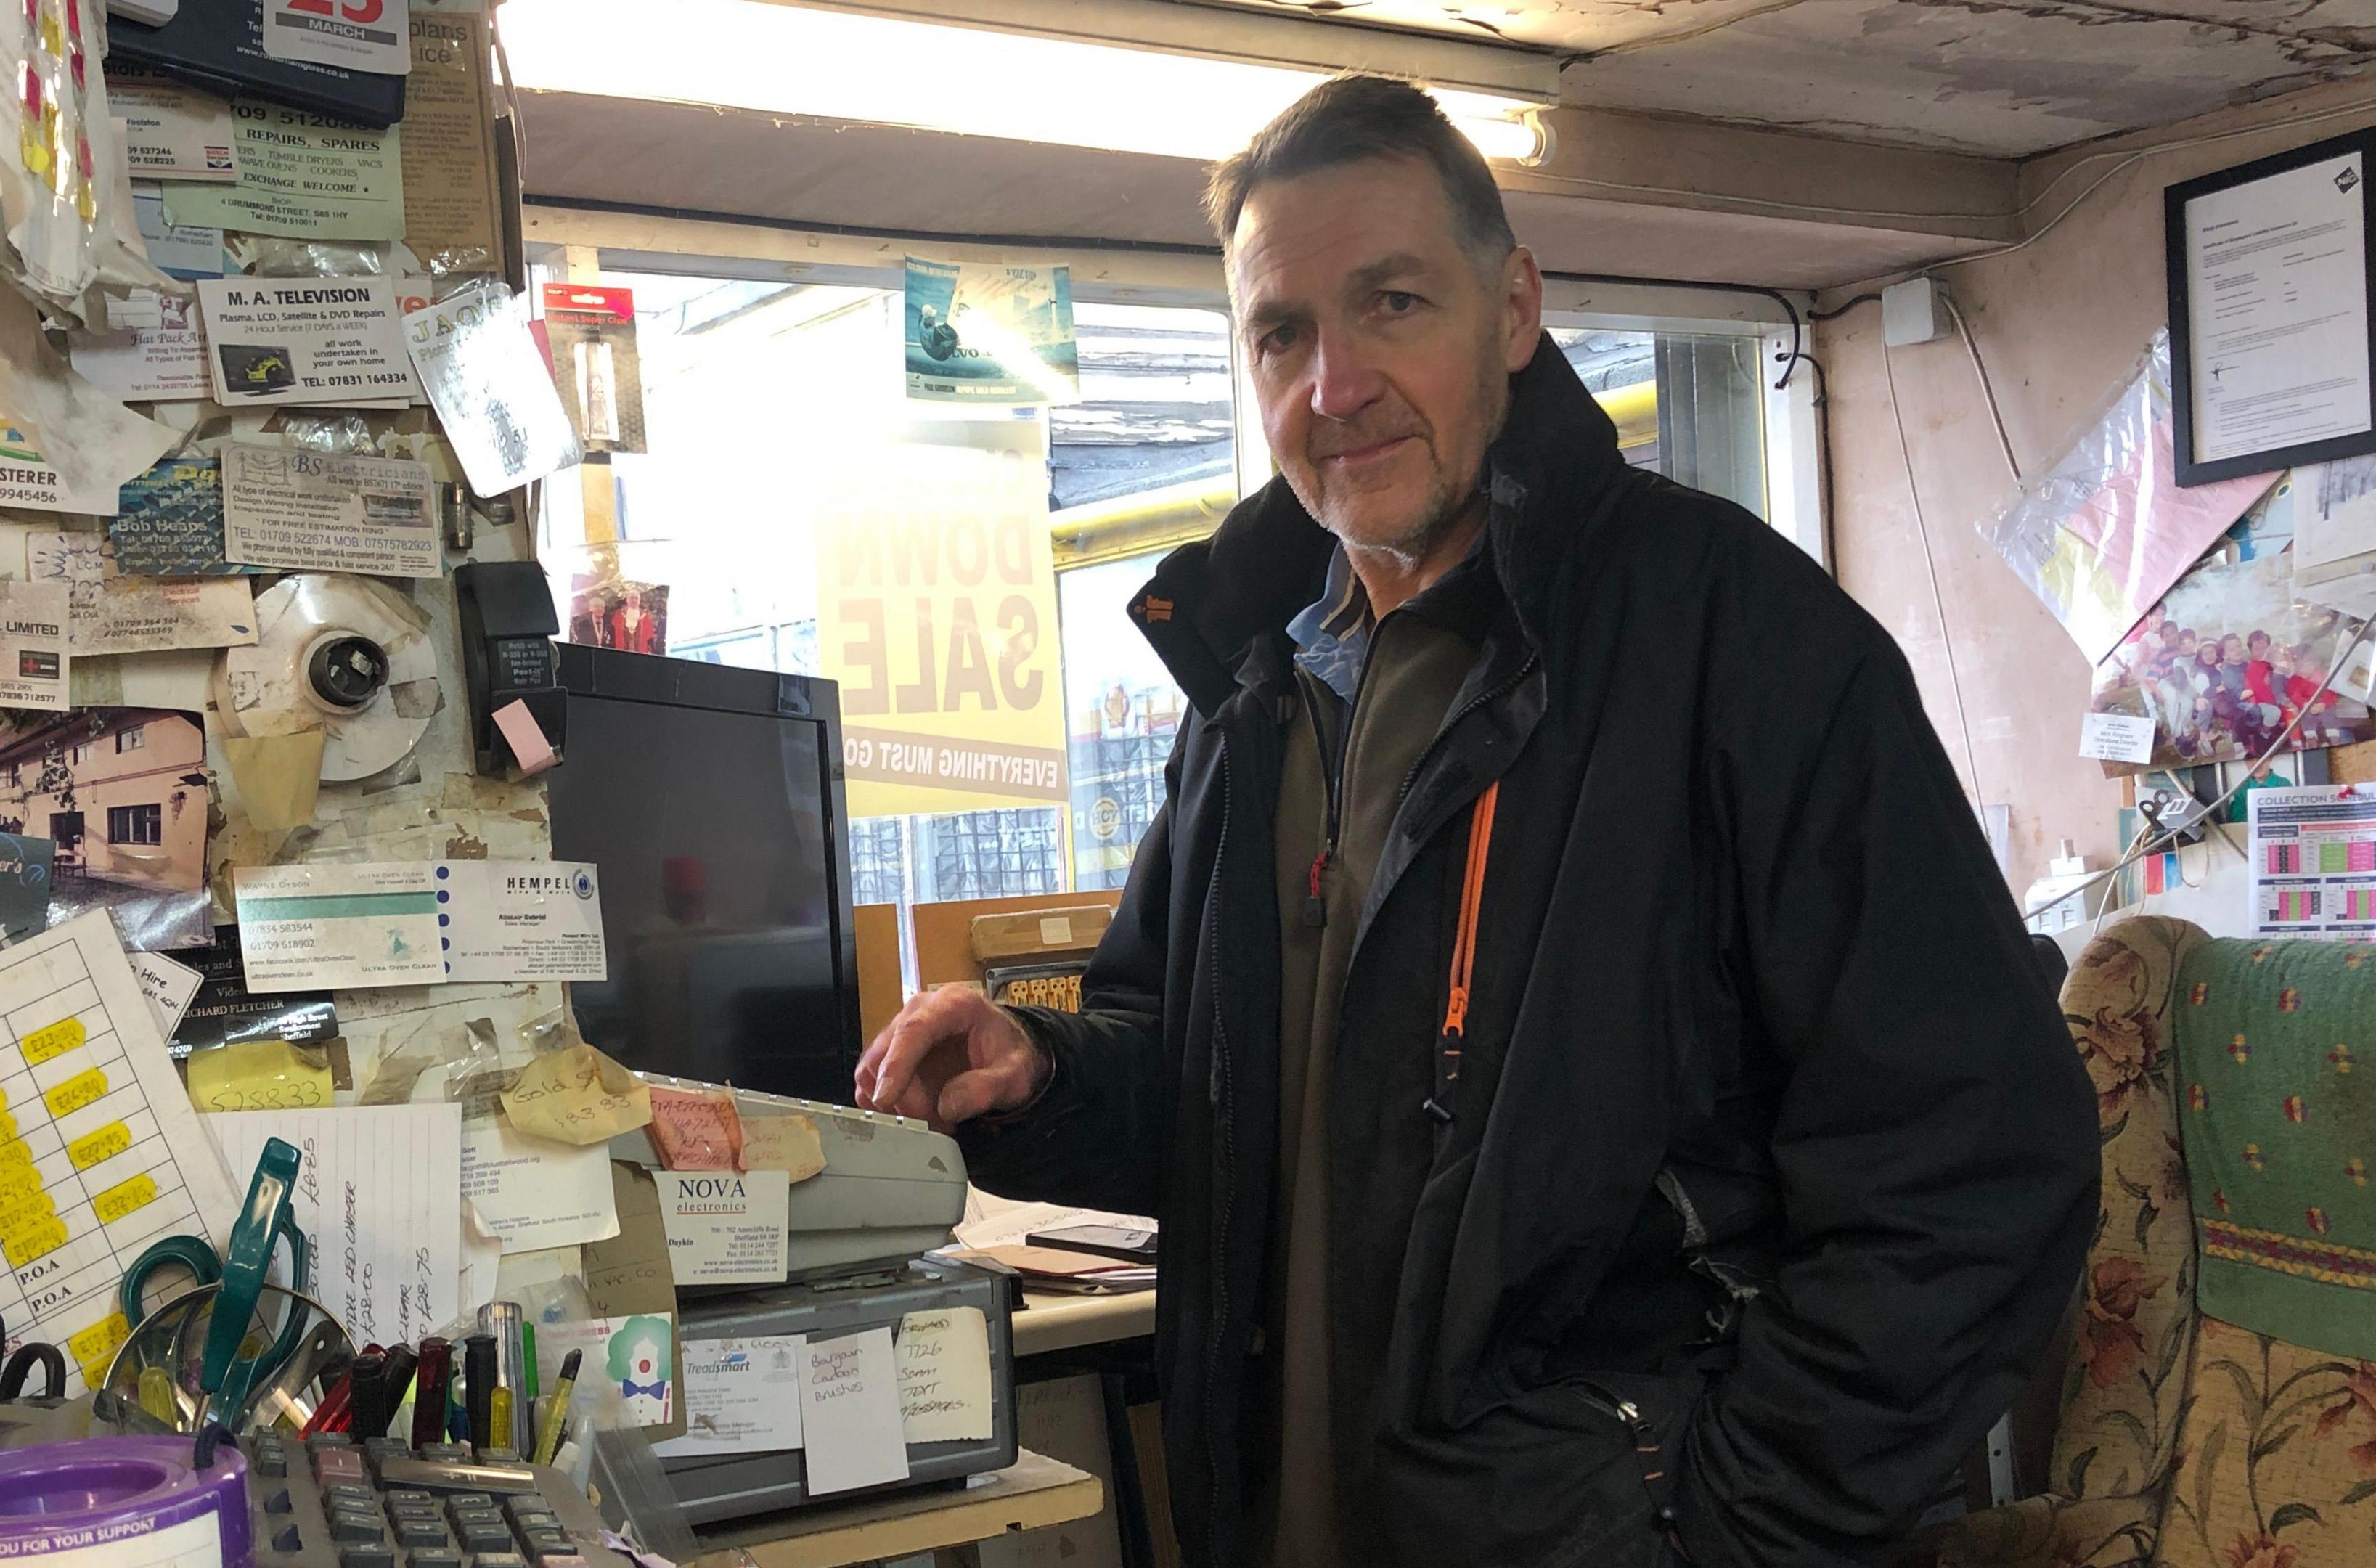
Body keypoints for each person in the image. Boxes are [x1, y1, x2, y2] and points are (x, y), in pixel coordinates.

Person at [857, 76, 2096, 1568]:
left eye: (1391, 303)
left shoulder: (1736, 642)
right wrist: (1040, 1070)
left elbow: (1979, 1159)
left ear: (1514, 309)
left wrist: (1731, 1527)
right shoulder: (1256, 688)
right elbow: (1192, 1077)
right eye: (1283, 332)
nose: (1335, 384)